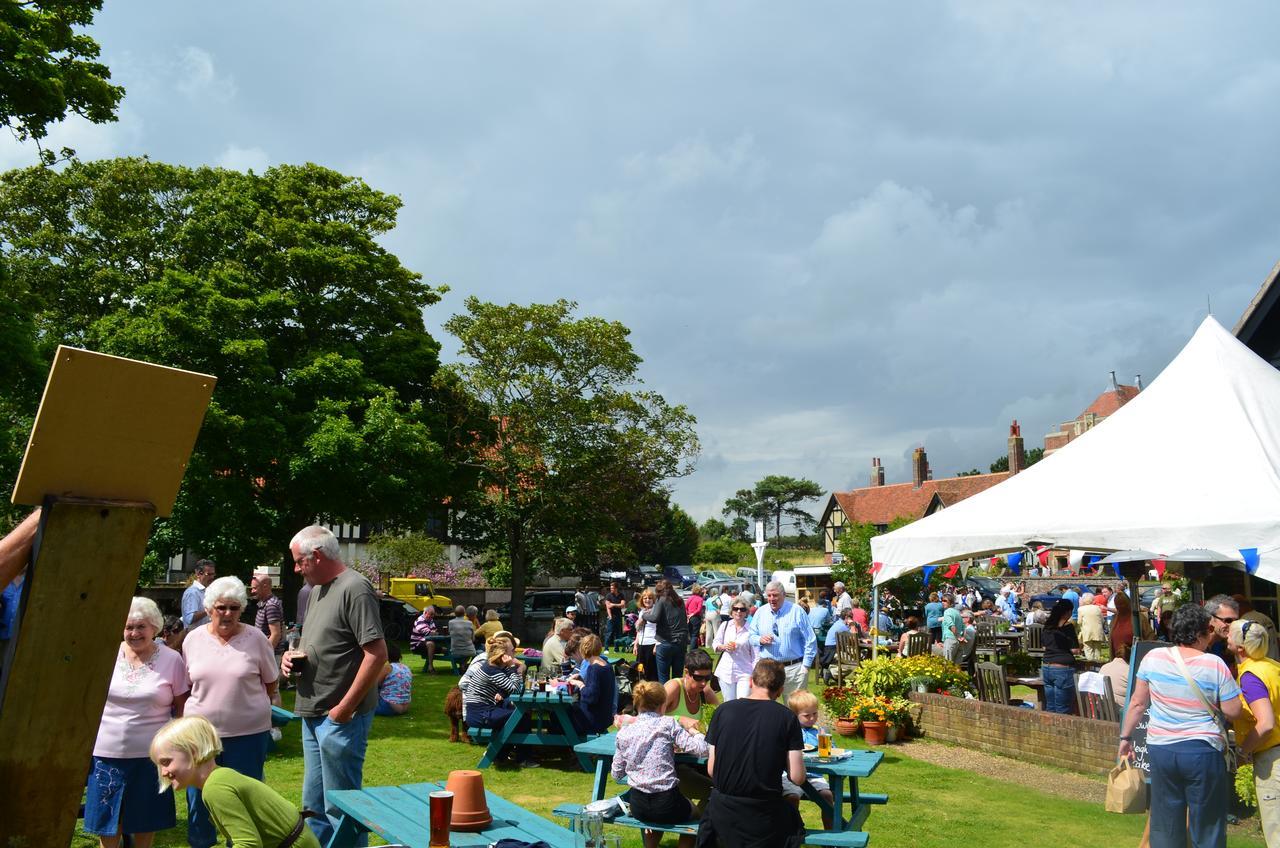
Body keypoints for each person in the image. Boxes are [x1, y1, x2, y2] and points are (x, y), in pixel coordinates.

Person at [284, 525, 387, 847]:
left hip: (339, 717)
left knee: (342, 808)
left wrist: (344, 709)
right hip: (314, 712)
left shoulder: (355, 588)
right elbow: (322, 643)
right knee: (314, 808)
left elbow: (377, 654)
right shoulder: (316, 591)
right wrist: (290, 658)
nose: (297, 569)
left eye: (299, 562)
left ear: (316, 556)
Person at [1119, 604, 1242, 848]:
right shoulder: (1214, 664)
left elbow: (1136, 703)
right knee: (1207, 823)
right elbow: (1233, 710)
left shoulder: (1153, 658)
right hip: (1202, 749)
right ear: (1200, 633)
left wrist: (1125, 738)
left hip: (1162, 748)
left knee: (1165, 821)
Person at [182, 576, 281, 848]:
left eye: (234, 608)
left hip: (247, 735)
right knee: (199, 799)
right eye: (221, 607)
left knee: (244, 798)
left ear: (242, 609)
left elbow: (271, 683)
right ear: (210, 607)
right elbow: (188, 685)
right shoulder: (192, 640)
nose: (227, 614)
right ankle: (201, 843)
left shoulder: (257, 638)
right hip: (201, 737)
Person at [84, 597, 189, 848]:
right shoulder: (105, 653)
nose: (134, 633)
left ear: (154, 627)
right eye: (128, 627)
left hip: (151, 756)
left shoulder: (172, 659)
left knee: (145, 820)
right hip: (105, 753)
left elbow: (182, 705)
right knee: (107, 821)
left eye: (141, 626)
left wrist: (176, 748)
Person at [150, 715, 321, 848]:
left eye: (166, 762)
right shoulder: (220, 777)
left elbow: (248, 844)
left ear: (193, 751)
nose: (163, 772)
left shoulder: (215, 788)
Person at [699, 659, 807, 848]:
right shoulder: (787, 717)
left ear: (751, 681)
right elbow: (797, 777)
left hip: (722, 813)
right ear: (781, 690)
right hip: (764, 815)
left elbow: (712, 770)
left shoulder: (723, 711)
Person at [612, 680, 708, 848]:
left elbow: (616, 774)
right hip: (667, 802)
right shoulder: (668, 724)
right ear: (663, 705)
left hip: (638, 805)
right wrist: (695, 732)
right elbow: (701, 749)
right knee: (697, 814)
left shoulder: (624, 732)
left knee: (656, 816)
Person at [1229, 618, 1280, 844]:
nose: (1225, 637)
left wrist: (1242, 751)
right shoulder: (1272, 666)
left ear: (1240, 648)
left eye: (1229, 634)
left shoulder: (1251, 676)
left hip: (1273, 760)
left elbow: (1266, 723)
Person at [460, 637, 533, 766]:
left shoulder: (494, 666)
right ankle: (521, 758)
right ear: (504, 655)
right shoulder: (492, 670)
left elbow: (507, 687)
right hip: (480, 715)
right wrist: (512, 667)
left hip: (482, 711)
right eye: (512, 651)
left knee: (517, 715)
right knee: (521, 716)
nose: (515, 653)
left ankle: (501, 755)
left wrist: (511, 671)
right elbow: (515, 689)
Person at [749, 581, 818, 699]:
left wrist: (805, 666)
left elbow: (810, 640)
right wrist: (760, 639)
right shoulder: (761, 612)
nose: (772, 599)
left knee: (794, 710)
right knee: (766, 710)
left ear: (784, 595)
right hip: (767, 670)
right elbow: (751, 636)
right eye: (769, 595)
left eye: (775, 595)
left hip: (793, 669)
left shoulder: (796, 611)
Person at [780, 690, 833, 829]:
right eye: (806, 715)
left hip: (815, 775)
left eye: (815, 714)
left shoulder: (818, 732)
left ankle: (831, 832)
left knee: (827, 796)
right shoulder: (790, 732)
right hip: (791, 775)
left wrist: (824, 740)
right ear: (794, 715)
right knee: (791, 797)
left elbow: (830, 752)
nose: (812, 718)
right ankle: (792, 829)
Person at [566, 633, 617, 734]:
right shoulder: (607, 666)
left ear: (583, 649)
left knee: (561, 715)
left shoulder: (593, 669)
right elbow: (598, 688)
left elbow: (590, 697)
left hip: (592, 720)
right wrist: (580, 678)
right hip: (604, 717)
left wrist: (579, 684)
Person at [642, 579, 690, 684]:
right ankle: (677, 699)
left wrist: (644, 615)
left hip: (666, 641)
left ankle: (666, 700)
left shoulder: (661, 600)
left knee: (664, 679)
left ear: (659, 591)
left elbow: (654, 618)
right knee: (677, 679)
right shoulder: (680, 600)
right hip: (681, 642)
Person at [713, 597, 757, 700]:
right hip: (726, 671)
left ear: (746, 612)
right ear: (731, 611)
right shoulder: (725, 625)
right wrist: (724, 647)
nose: (738, 611)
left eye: (742, 609)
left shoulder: (751, 629)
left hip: (745, 671)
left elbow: (755, 655)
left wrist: (755, 674)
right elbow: (716, 643)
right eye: (735, 609)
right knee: (729, 703)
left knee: (743, 702)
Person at [1041, 599, 1079, 714]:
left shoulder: (1047, 626)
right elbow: (1075, 650)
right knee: (1063, 708)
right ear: (1067, 612)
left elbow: (1043, 647)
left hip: (1047, 667)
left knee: (1050, 706)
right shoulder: (1068, 627)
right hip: (1063, 668)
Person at [663, 649, 720, 723]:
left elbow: (720, 716)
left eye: (707, 677)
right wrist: (679, 719)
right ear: (686, 672)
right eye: (698, 678)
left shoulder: (706, 691)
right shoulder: (674, 687)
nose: (703, 683)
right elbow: (651, 716)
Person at [1235, 594, 1280, 661]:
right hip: (1273, 664)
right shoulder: (1265, 617)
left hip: (1258, 667)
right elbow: (1277, 641)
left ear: (1238, 607)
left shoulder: (1245, 623)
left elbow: (1249, 648)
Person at [1206, 594, 1241, 675]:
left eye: (1236, 621)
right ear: (1210, 618)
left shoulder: (1224, 644)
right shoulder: (1198, 647)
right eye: (1228, 620)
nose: (1232, 625)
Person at [250, 573, 285, 654]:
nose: (252, 591)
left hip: (271, 655)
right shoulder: (264, 602)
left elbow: (276, 635)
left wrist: (265, 655)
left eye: (255, 588)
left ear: (265, 586)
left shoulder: (271, 605)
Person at [375, 642, 412, 716]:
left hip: (389, 707)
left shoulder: (387, 667)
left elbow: (374, 685)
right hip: (405, 707)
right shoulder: (406, 667)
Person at [633, 589, 660, 682]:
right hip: (641, 644)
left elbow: (660, 630)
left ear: (653, 599)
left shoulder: (656, 611)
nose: (647, 600)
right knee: (640, 670)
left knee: (651, 672)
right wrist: (636, 644)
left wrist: (656, 645)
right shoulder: (642, 611)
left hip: (651, 644)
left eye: (649, 598)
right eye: (645, 598)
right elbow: (639, 630)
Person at [181, 559, 217, 629]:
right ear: (198, 574)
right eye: (209, 574)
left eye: (213, 574)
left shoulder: (207, 591)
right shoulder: (192, 592)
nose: (212, 577)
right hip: (195, 637)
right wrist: (209, 609)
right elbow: (190, 618)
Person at [409, 605, 439, 671]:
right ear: (425, 613)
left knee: (446, 649)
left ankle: (462, 665)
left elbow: (435, 632)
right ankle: (430, 667)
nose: (432, 616)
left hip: (425, 642)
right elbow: (428, 633)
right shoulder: (419, 620)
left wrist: (433, 632)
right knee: (430, 644)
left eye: (433, 615)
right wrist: (432, 632)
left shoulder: (430, 620)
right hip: (416, 645)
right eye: (431, 614)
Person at [1077, 592, 1106, 662]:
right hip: (1098, 631)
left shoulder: (1081, 609)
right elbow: (1102, 620)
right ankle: (1097, 664)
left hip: (1087, 632)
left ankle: (1091, 665)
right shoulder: (1098, 608)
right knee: (1097, 650)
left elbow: (1079, 622)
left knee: (1088, 649)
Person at [940, 594, 965, 664]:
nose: (942, 602)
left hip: (950, 640)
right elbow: (963, 627)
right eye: (942, 600)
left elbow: (952, 626)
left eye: (945, 601)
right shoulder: (957, 612)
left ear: (951, 602)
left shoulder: (947, 612)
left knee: (947, 665)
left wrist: (958, 636)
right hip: (958, 642)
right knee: (957, 666)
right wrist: (962, 637)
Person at [603, 580, 626, 650]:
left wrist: (613, 604)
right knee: (609, 632)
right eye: (611, 588)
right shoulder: (608, 596)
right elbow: (608, 606)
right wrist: (610, 616)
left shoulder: (621, 595)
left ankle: (617, 648)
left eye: (612, 588)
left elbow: (623, 605)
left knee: (618, 633)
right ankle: (606, 648)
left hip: (618, 616)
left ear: (616, 588)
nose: (611, 589)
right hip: (611, 616)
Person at [685, 584, 706, 648]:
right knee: (695, 635)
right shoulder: (700, 599)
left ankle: (695, 648)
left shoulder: (690, 598)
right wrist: (692, 614)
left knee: (691, 634)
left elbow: (685, 607)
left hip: (689, 617)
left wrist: (687, 615)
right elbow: (698, 609)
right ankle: (692, 650)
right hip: (695, 618)